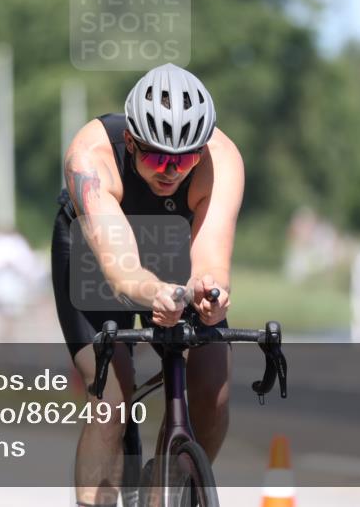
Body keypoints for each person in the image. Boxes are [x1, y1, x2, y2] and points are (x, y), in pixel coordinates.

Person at [52, 63, 243, 507]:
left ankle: (167, 486)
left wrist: (211, 296)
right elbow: (123, 273)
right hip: (96, 251)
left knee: (213, 383)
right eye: (158, 157)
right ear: (133, 142)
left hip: (173, 246)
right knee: (112, 397)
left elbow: (211, 260)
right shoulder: (90, 157)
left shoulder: (222, 159)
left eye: (185, 159)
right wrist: (153, 293)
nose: (171, 171)